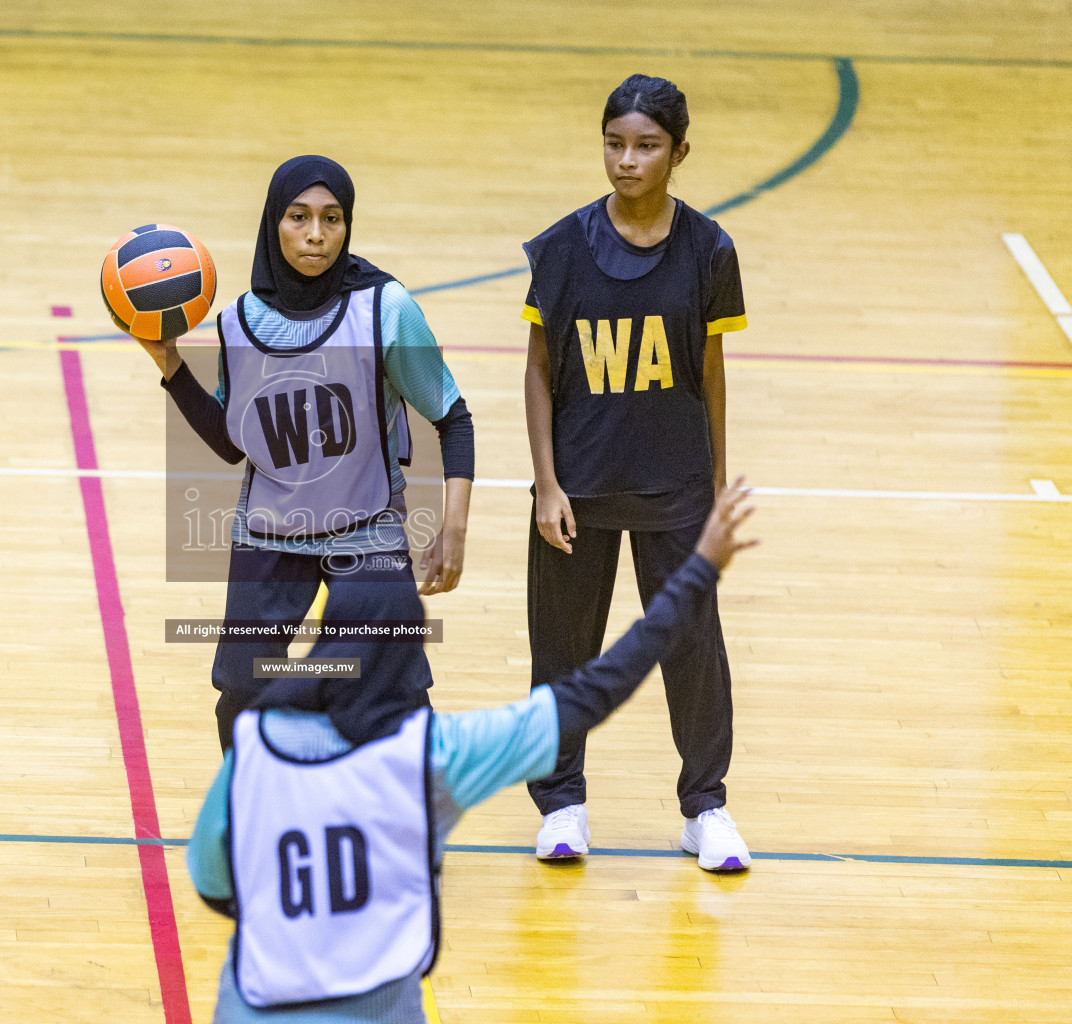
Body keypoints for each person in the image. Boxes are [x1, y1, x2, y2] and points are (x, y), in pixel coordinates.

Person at [186, 482, 758, 1023]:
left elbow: (213, 884)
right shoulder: (430, 758)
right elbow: (596, 690)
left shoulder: (253, 748)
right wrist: (698, 570)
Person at [132, 155, 475, 750]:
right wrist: (169, 363)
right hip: (269, 530)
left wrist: (453, 529)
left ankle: (389, 816)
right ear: (274, 222)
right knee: (243, 690)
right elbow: (230, 444)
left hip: (366, 527)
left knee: (393, 686)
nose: (316, 234)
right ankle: (253, 815)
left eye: (332, 218)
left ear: (348, 226)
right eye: (298, 217)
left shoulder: (385, 308)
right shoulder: (240, 320)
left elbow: (453, 417)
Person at [521, 74, 752, 871]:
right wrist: (546, 484)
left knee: (692, 644)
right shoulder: (559, 249)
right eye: (615, 143)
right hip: (577, 488)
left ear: (679, 152)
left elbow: (711, 373)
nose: (627, 160)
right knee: (562, 652)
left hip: (677, 484)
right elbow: (539, 368)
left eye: (646, 146)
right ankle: (561, 804)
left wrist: (717, 488)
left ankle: (706, 808)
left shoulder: (709, 251)